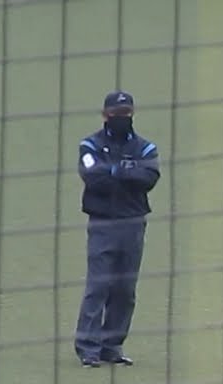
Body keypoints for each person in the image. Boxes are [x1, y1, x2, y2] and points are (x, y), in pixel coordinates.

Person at [74, 91, 161, 368]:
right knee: (98, 286)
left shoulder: (146, 147)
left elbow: (149, 177)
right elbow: (92, 177)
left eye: (126, 114)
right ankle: (88, 347)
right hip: (102, 224)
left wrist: (113, 170)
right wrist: (126, 171)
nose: (121, 118)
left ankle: (111, 346)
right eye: (116, 114)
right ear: (105, 115)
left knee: (125, 289)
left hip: (133, 224)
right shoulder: (90, 145)